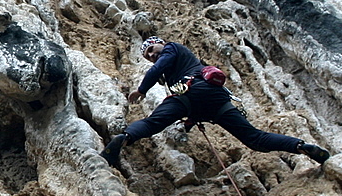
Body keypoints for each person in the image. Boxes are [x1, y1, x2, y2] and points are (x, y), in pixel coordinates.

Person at [100, 36, 330, 169]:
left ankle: (124, 137)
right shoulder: (184, 63)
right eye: (147, 55)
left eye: (151, 49)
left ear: (160, 43)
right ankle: (300, 146)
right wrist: (190, 122)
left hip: (189, 92)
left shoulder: (172, 48)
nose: (151, 55)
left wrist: (141, 90)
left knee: (151, 124)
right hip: (215, 101)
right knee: (254, 139)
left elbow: (159, 67)